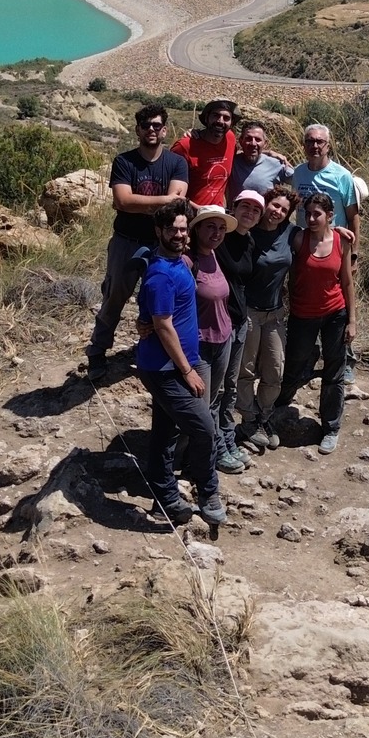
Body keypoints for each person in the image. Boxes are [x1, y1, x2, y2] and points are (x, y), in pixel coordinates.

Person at [133, 200, 226, 529]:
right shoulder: (160, 274)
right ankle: (207, 492)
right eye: (172, 229)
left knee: (163, 432)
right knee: (204, 428)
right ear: (159, 231)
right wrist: (187, 369)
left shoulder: (179, 263)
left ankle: (164, 496)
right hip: (164, 369)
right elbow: (163, 324)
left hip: (179, 362)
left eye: (183, 229)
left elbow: (156, 316)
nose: (179, 234)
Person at [85, 105, 188, 381]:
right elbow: (122, 201)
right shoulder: (124, 162)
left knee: (159, 300)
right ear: (137, 130)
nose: (151, 129)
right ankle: (97, 351)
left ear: (165, 129)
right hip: (127, 241)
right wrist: (163, 202)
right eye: (146, 125)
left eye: (156, 125)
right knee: (115, 295)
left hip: (161, 245)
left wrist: (146, 204)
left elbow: (175, 204)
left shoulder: (176, 163)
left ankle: (155, 349)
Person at [273, 191, 355, 455]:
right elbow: (273, 224)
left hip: (335, 313)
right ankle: (278, 408)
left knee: (334, 370)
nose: (311, 218)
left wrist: (352, 320)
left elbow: (347, 282)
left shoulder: (342, 241)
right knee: (295, 363)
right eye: (307, 213)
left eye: (317, 214)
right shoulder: (298, 238)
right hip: (302, 314)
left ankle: (331, 427)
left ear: (330, 216)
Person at [231, 184, 295, 452]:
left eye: (283, 209)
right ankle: (248, 420)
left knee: (275, 370)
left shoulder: (290, 233)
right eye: (274, 205)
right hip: (249, 312)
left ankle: (264, 415)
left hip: (275, 313)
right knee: (244, 370)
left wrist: (339, 231)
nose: (277, 212)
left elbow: (319, 235)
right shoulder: (246, 232)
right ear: (265, 204)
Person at [189, 203, 249, 474]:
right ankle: (206, 458)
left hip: (222, 336)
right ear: (197, 228)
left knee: (216, 397)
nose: (217, 232)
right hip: (200, 343)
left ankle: (215, 449)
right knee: (202, 406)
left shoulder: (215, 256)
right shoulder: (188, 261)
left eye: (222, 228)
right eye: (210, 226)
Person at [291, 124, 360, 231]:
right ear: (304, 146)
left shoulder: (342, 175)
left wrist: (353, 247)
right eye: (310, 141)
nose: (314, 146)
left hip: (333, 242)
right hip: (304, 241)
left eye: (319, 142)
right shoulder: (298, 172)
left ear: (328, 147)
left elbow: (353, 217)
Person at [172, 99, 238, 208]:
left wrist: (270, 153)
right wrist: (201, 210)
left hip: (218, 217)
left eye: (226, 118)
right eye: (216, 115)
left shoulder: (230, 139)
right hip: (190, 217)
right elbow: (173, 193)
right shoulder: (185, 146)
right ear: (207, 118)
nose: (220, 121)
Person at [227, 119, 290, 196]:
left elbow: (300, 179)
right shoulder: (232, 162)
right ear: (241, 141)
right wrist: (268, 152)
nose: (253, 143)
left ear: (265, 143)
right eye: (248, 139)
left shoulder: (276, 164)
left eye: (258, 139)